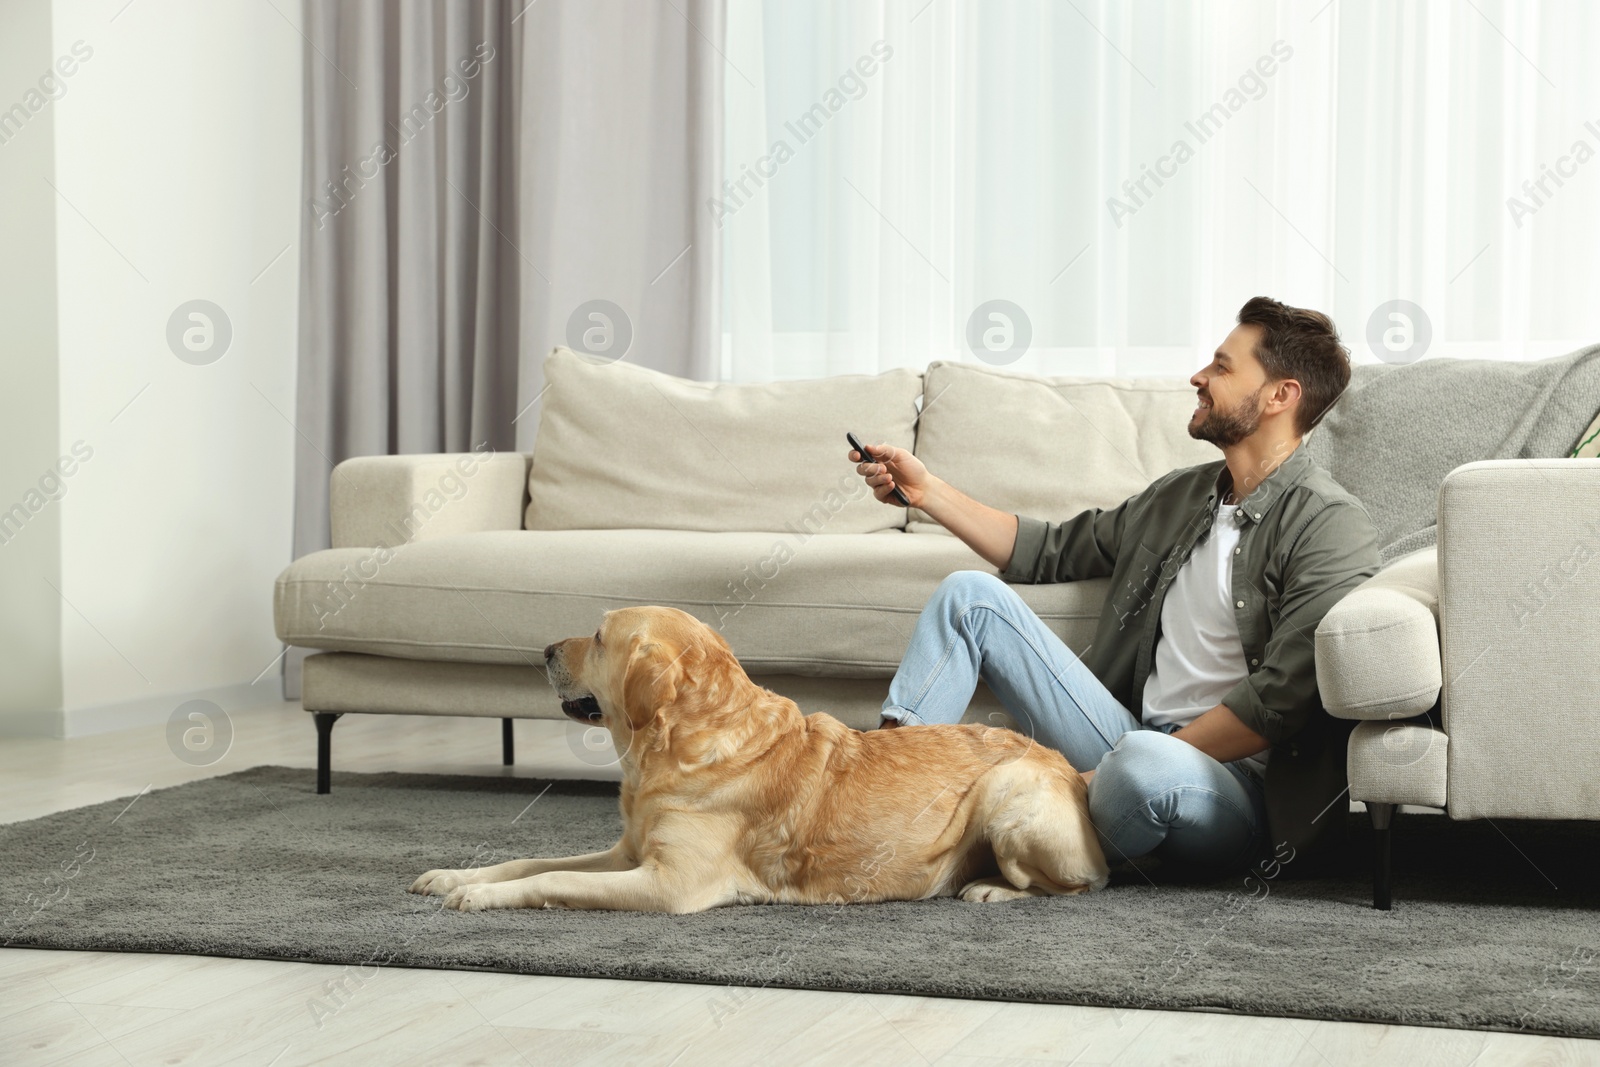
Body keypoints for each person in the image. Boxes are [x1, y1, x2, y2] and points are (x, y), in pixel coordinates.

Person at [850, 297, 1381, 875]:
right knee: (969, 597)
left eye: (1222, 368)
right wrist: (927, 493)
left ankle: (1000, 833)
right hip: (1125, 738)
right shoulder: (1180, 495)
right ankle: (877, 798)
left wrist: (1109, 770)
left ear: (1281, 395)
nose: (1198, 378)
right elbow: (1049, 549)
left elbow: (1281, 701)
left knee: (1142, 766)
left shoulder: (1329, 523)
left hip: (1234, 788)